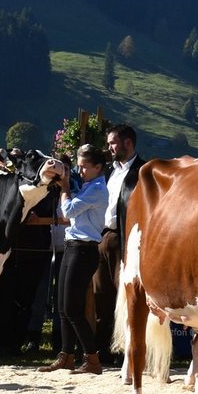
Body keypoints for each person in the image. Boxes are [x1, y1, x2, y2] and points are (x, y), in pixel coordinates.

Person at [43, 145, 109, 375]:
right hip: (73, 247)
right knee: (63, 306)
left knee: (73, 309)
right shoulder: (88, 186)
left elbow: (67, 212)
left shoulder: (97, 189)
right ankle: (67, 355)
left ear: (98, 167)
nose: (80, 171)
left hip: (84, 250)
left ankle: (92, 358)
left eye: (84, 167)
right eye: (79, 166)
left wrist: (64, 188)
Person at [92, 123, 143, 366]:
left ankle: (127, 351)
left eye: (113, 143)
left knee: (126, 297)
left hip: (126, 239)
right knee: (101, 295)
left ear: (128, 143)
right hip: (102, 237)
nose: (109, 147)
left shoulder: (143, 171)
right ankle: (102, 350)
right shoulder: (108, 172)